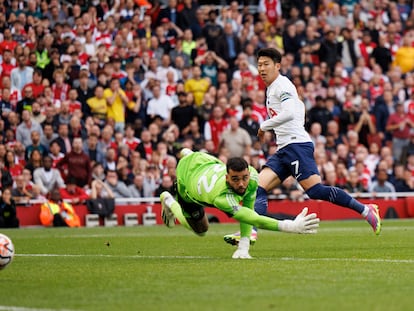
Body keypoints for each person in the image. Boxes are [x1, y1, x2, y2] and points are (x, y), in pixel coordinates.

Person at [224, 48, 382, 246]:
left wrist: (264, 125)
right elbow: (297, 108)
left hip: (296, 145)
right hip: (284, 148)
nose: (262, 68)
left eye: (266, 64)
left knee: (315, 191)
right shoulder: (274, 87)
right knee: (257, 189)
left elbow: (289, 112)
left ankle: (366, 210)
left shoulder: (282, 85)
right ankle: (250, 233)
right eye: (259, 64)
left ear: (277, 66)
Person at [160, 149, 320, 259]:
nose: (242, 184)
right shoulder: (222, 198)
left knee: (197, 157)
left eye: (244, 178)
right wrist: (291, 226)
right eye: (235, 180)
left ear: (249, 173)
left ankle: (187, 152)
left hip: (205, 161)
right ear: (227, 178)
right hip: (187, 178)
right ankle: (168, 200)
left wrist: (243, 247)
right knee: (201, 230)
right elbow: (253, 218)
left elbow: (249, 207)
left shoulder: (253, 177)